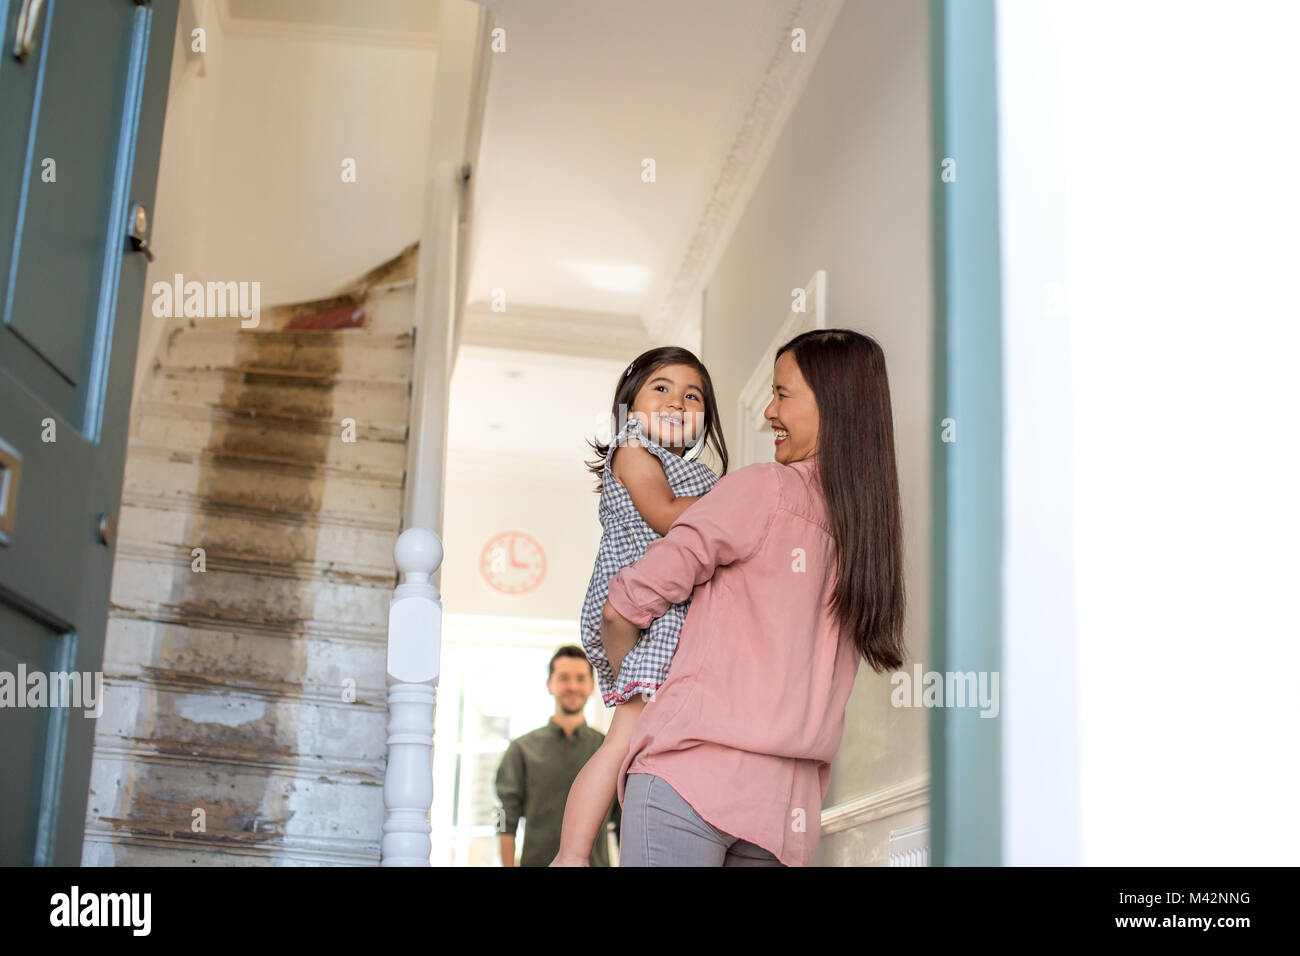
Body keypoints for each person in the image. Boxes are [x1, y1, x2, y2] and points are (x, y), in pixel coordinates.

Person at [602, 329, 908, 866]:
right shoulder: (868, 536)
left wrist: (635, 680)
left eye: (783, 393)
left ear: (831, 405)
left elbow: (627, 601)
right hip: (786, 812)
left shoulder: (765, 489)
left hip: (687, 780)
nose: (769, 410)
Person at [549, 347, 729, 866]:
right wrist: (739, 500)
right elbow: (666, 515)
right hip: (647, 618)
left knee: (635, 737)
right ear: (630, 408)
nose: (677, 401)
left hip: (667, 615)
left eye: (692, 395)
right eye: (662, 388)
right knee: (622, 738)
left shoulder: (680, 467)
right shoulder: (632, 452)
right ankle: (572, 855)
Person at [494, 646, 621, 867]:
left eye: (580, 678)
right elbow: (505, 820)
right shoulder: (521, 750)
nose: (572, 686)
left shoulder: (609, 750)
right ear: (550, 685)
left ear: (592, 686)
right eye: (563, 678)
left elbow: (624, 824)